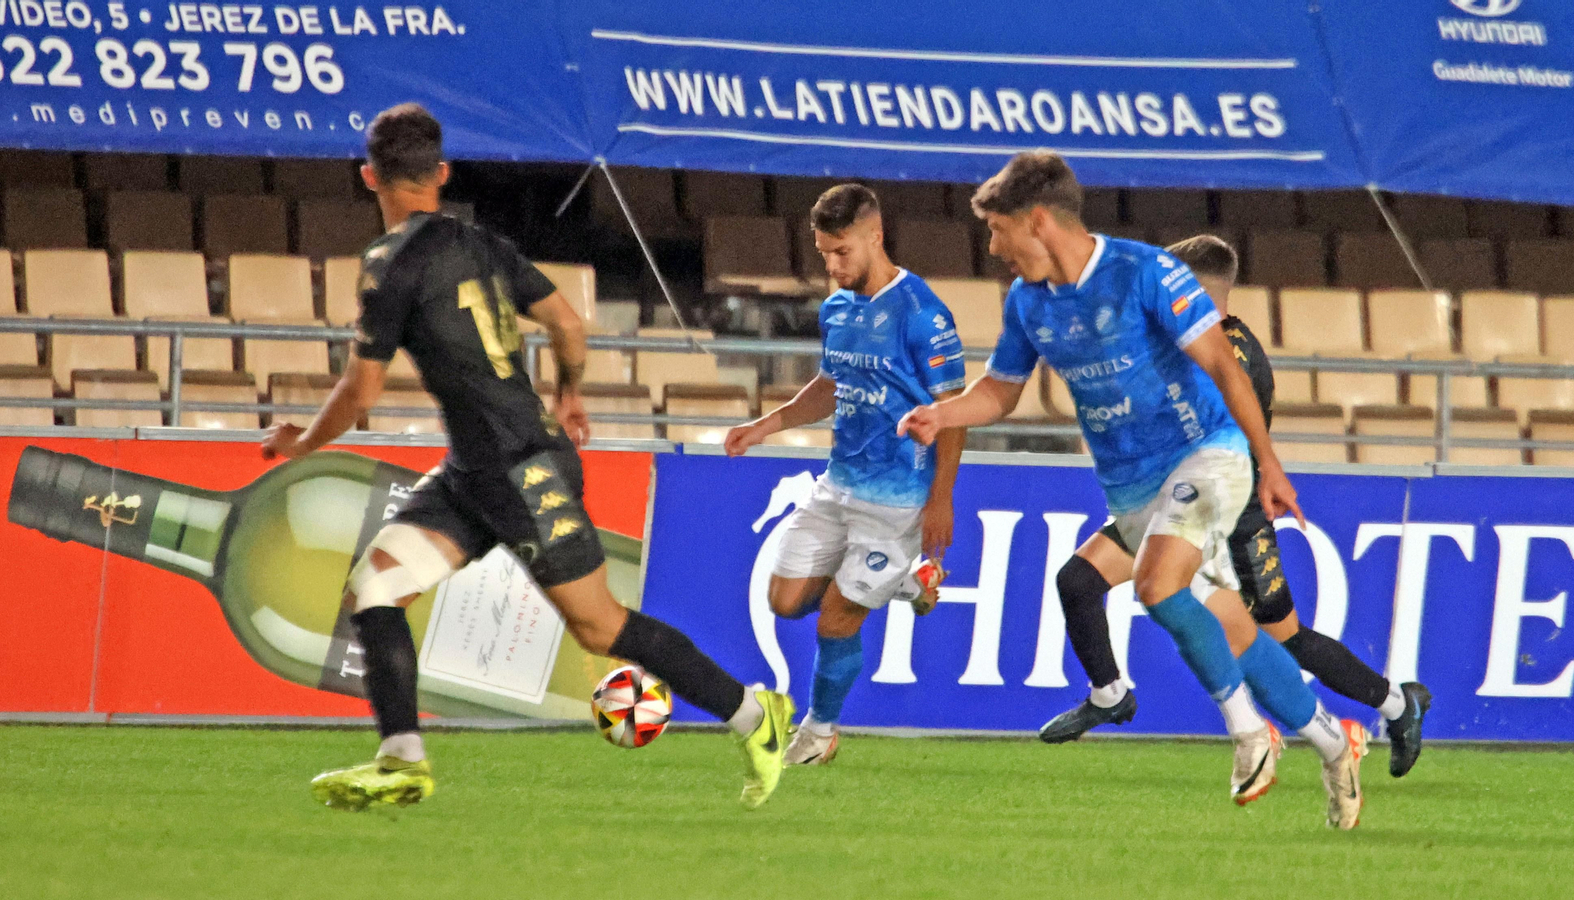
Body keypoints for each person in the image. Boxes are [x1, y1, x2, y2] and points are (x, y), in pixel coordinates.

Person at [261, 103, 793, 812]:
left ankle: (758, 718)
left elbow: (361, 391)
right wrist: (571, 393)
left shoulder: (388, 265)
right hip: (475, 473)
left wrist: (301, 443)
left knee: (600, 626)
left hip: (519, 468)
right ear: (442, 174)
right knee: (375, 589)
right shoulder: (480, 244)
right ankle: (402, 760)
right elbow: (568, 322)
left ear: (369, 178)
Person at [897, 151, 1369, 830]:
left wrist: (1267, 462)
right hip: (1132, 485)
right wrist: (943, 414)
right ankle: (1333, 741)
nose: (994, 248)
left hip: (1207, 454)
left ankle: (1248, 732)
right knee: (1231, 628)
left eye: (998, 231)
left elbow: (1223, 367)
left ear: (1037, 221)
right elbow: (1002, 391)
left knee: (1154, 586)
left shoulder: (1147, 273)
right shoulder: (1029, 304)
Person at [1037, 234, 1432, 778]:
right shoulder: (1188, 338)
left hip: (1229, 513)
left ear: (1196, 287)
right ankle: (1109, 696)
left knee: (1284, 639)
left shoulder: (1229, 352)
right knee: (1078, 581)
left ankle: (1396, 705)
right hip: (1173, 500)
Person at [724, 184, 966, 766]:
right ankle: (908, 583)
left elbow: (953, 412)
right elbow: (830, 388)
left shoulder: (923, 314)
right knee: (784, 602)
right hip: (837, 484)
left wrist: (942, 499)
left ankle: (821, 731)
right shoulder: (838, 309)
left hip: (899, 497)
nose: (831, 267)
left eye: (841, 253)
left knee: (836, 617)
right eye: (823, 254)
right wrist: (767, 425)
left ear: (874, 237)